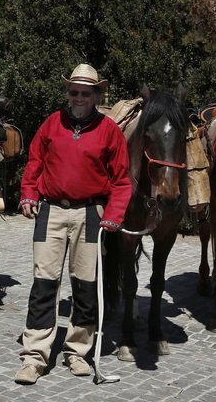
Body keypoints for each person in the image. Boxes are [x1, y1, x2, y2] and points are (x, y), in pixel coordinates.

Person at [13, 63, 133, 385]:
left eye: (86, 93)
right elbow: (35, 163)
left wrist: (114, 214)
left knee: (85, 287)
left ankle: (77, 352)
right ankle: (34, 356)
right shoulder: (52, 124)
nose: (79, 98)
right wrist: (28, 194)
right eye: (74, 92)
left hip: (90, 214)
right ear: (67, 93)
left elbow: (122, 180)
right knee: (43, 284)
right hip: (50, 212)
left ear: (96, 96)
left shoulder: (109, 131)